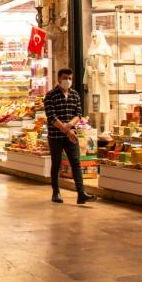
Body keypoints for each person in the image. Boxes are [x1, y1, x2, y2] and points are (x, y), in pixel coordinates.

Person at [44, 68, 97, 205]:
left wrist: (70, 125)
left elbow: (78, 113)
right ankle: (56, 192)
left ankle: (81, 193)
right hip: (56, 136)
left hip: (71, 136)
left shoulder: (75, 94)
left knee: (76, 163)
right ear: (58, 79)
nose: (68, 81)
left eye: (70, 78)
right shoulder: (50, 95)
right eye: (65, 78)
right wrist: (67, 130)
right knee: (56, 164)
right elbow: (51, 117)